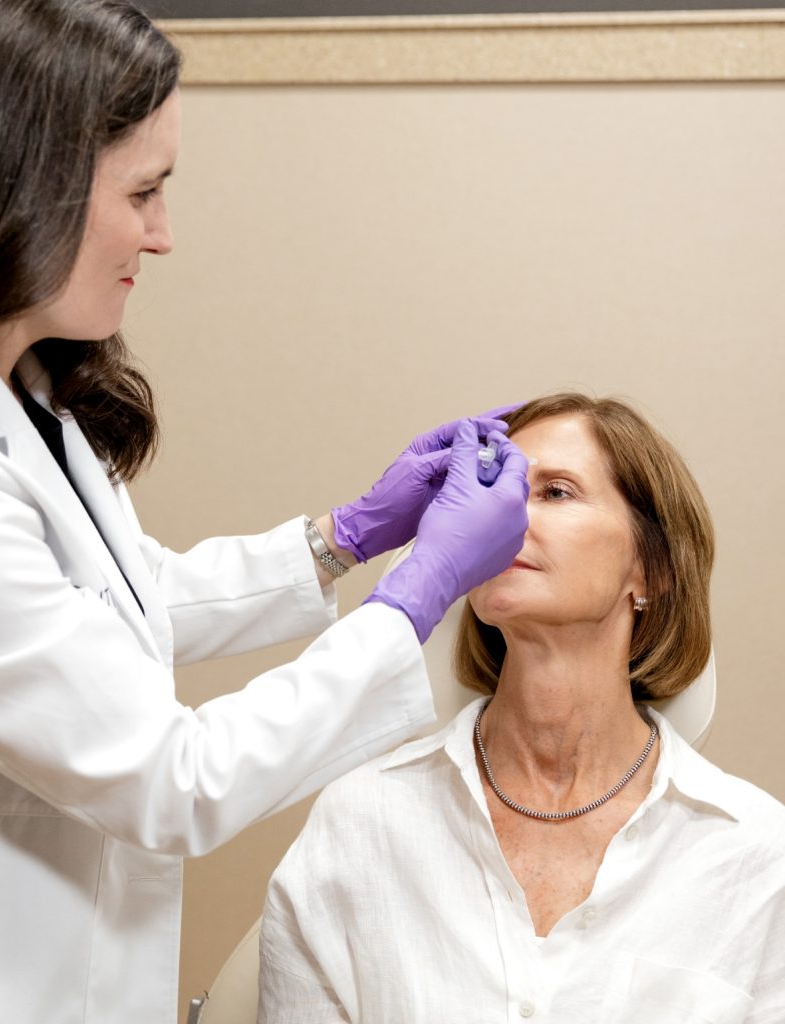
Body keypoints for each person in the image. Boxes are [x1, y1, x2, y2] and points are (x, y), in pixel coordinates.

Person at [0, 2, 531, 1022]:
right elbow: (176, 780)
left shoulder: (16, 391)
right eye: (143, 191)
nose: (163, 236)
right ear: (8, 185)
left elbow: (113, 604)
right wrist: (419, 592)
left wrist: (340, 538)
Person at [259, 393, 785, 1024]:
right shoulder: (359, 824)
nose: (505, 514)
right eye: (496, 487)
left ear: (652, 569)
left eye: (556, 491)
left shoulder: (756, 856)